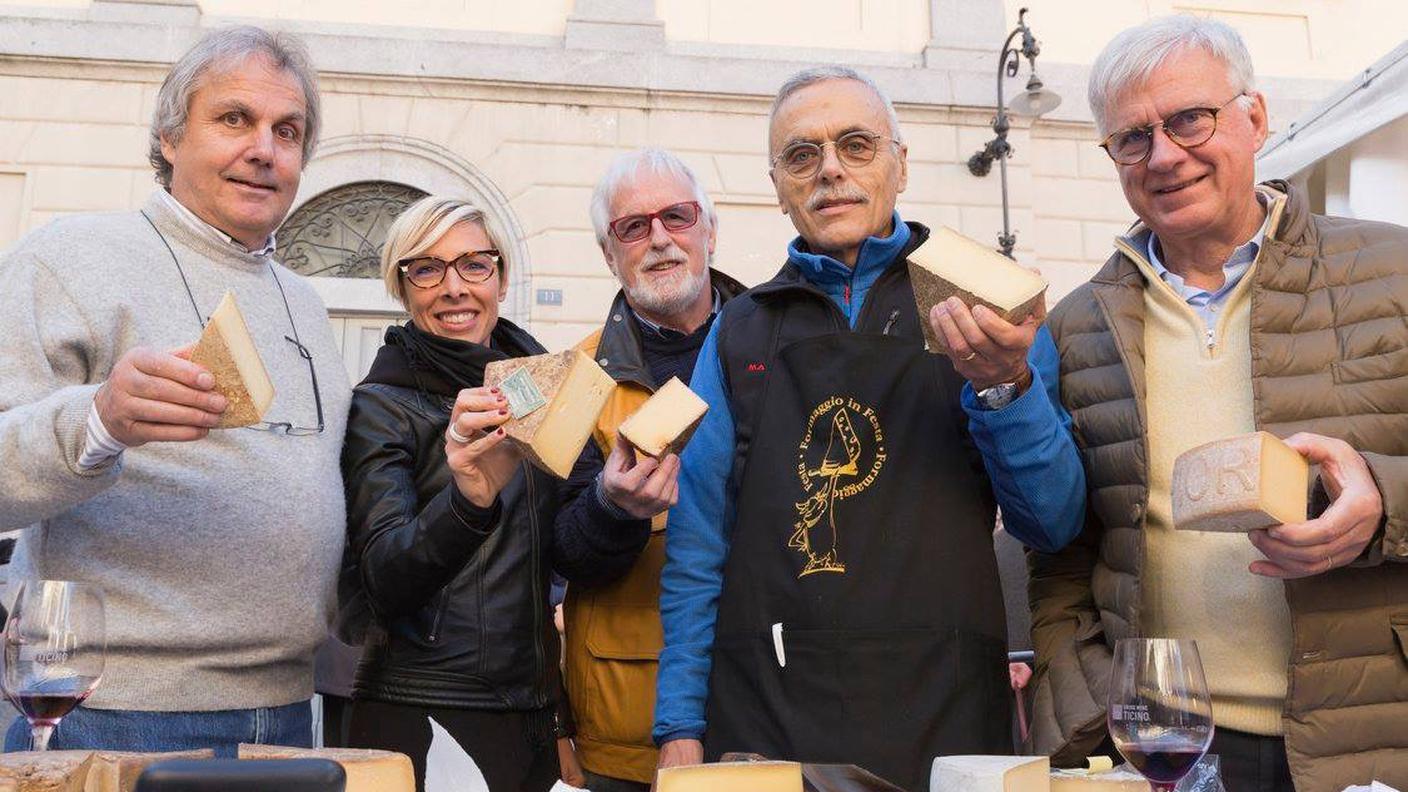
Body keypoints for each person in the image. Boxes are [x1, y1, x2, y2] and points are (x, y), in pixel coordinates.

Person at [653, 65, 1086, 792]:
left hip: (944, 706)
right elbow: (698, 547)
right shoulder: (738, 332)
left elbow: (1053, 521)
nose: (830, 171)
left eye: (856, 144)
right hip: (766, 711)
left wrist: (1005, 387)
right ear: (777, 184)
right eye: (802, 155)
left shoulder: (987, 308)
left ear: (899, 162)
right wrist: (679, 730)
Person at [1028, 16, 1408, 792]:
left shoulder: (1394, 272)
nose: (1165, 155)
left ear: (1255, 118)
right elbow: (1063, 549)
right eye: (1132, 138)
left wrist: (1384, 499)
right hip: (1172, 752)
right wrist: (1081, 699)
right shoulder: (1075, 327)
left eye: (1189, 119)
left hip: (1372, 732)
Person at [0, 26, 349, 754]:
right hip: (110, 710)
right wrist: (98, 421)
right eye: (233, 119)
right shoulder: (67, 258)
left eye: (287, 131)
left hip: (285, 709)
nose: (264, 149)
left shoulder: (307, 303)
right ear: (166, 139)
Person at [340, 195, 674, 792]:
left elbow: (563, 558)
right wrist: (467, 500)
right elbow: (383, 583)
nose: (453, 287)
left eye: (474, 264)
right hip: (422, 710)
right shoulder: (381, 405)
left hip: (530, 719)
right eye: (426, 268)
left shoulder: (542, 387)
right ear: (401, 286)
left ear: (500, 277)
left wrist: (616, 506)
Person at [559, 149, 745, 792]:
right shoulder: (576, 381)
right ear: (609, 254)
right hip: (630, 728)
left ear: (709, 232)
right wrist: (612, 511)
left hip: (775, 704)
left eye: (677, 217)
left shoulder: (775, 345)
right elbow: (560, 558)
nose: (660, 239)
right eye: (633, 227)